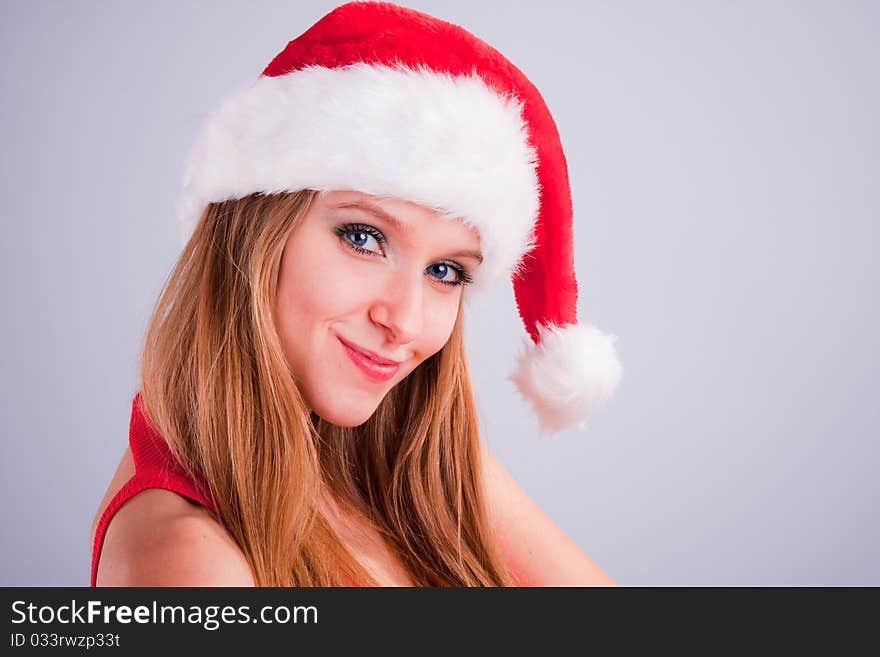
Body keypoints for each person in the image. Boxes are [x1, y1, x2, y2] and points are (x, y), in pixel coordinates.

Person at [89, 1, 623, 587]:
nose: (406, 321)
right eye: (364, 237)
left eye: (446, 272)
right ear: (254, 230)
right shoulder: (189, 563)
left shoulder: (416, 465)